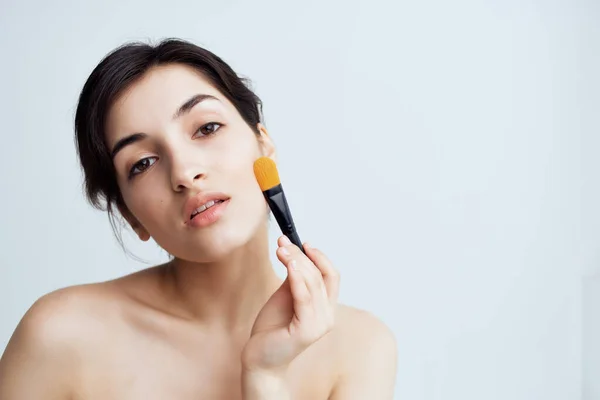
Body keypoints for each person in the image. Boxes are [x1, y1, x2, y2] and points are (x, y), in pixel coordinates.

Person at [0, 38, 397, 399]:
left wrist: (265, 377)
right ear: (129, 215)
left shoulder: (360, 347)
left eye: (207, 128)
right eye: (143, 163)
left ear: (264, 145)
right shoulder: (61, 337)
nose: (184, 172)